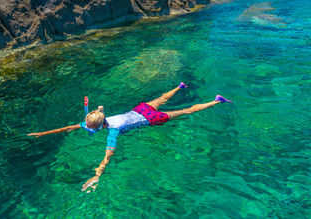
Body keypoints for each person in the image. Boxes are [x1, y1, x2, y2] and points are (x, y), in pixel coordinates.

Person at [28, 82, 232, 193]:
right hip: (140, 109)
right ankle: (180, 87)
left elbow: (107, 157)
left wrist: (97, 176)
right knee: (160, 99)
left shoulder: (113, 132)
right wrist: (43, 133)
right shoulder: (100, 118)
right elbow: (71, 127)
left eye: (90, 128)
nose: (87, 129)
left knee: (186, 111)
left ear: (97, 126)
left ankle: (216, 101)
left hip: (151, 118)